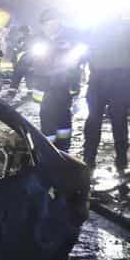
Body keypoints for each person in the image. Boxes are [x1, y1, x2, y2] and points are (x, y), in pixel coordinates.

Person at [20, 8, 85, 153]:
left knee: (63, 117)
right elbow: (25, 62)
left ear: (59, 22)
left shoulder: (69, 38)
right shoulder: (37, 40)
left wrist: (74, 82)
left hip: (63, 85)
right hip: (43, 87)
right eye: (48, 23)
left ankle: (63, 149)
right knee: (47, 118)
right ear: (43, 25)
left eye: (54, 22)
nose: (51, 26)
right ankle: (49, 150)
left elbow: (78, 59)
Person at [82, 17, 130, 176]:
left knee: (115, 121)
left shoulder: (122, 27)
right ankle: (93, 159)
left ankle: (118, 160)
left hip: (117, 80)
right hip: (102, 80)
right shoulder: (95, 28)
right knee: (108, 120)